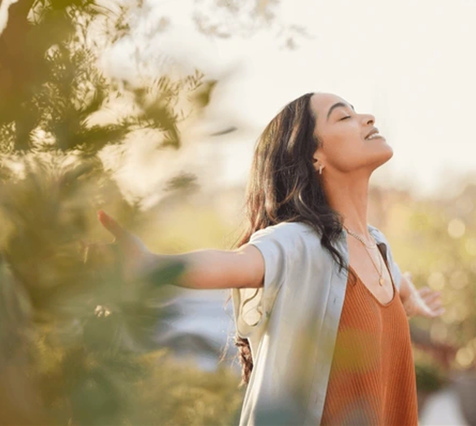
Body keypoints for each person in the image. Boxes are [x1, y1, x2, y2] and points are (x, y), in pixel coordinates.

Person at [95, 92, 444, 426]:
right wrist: (152, 266)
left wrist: (409, 297)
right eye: (344, 116)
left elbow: (393, 281)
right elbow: (235, 264)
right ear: (314, 156)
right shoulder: (299, 242)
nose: (367, 118)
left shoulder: (378, 246)